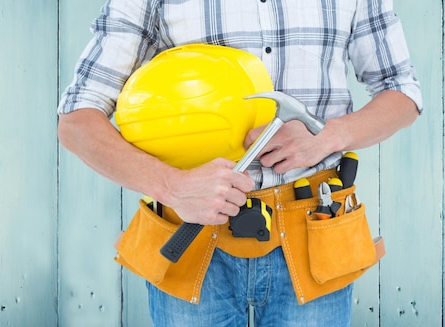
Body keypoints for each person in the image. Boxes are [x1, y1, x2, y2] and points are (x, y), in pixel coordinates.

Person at [57, 0, 422, 326]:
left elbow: (402, 91)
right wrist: (171, 186)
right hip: (194, 235)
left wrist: (326, 136)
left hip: (313, 231)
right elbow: (76, 121)